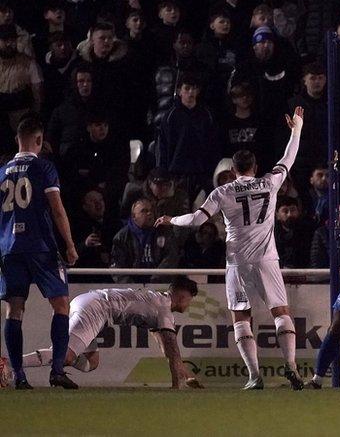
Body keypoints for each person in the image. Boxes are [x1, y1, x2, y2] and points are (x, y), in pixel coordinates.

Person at [155, 107, 306, 391]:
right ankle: (292, 367)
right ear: (255, 166)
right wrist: (296, 129)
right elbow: (288, 159)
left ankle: (254, 376)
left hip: (237, 261)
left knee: (241, 315)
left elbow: (197, 220)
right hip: (267, 258)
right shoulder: (269, 182)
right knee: (281, 312)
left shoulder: (222, 192)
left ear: (233, 170)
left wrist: (170, 219)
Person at [0, 116, 78, 389]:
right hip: (41, 248)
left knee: (14, 310)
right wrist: (69, 243)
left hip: (9, 249)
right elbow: (56, 208)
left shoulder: (2, 172)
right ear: (39, 140)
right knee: (61, 305)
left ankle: (19, 375)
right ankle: (57, 371)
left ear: (17, 140)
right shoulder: (44, 167)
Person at [19, 277, 203, 390]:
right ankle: (10, 364)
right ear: (182, 297)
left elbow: (165, 347)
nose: (189, 305)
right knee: (66, 356)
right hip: (96, 308)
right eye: (190, 300)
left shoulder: (157, 302)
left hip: (87, 301)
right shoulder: (164, 309)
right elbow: (172, 348)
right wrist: (176, 385)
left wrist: (186, 376)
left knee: (91, 362)